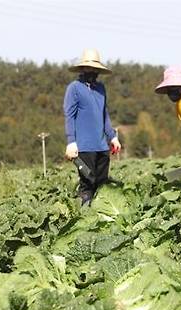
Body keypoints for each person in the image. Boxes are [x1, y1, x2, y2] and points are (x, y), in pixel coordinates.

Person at [64, 48, 121, 206]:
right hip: (84, 146)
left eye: (95, 68)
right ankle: (86, 219)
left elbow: (104, 115)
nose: (92, 71)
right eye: (89, 67)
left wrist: (113, 137)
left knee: (102, 186)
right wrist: (71, 141)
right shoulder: (74, 88)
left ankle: (101, 218)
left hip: (102, 146)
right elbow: (69, 115)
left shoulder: (101, 89)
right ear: (82, 68)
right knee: (87, 186)